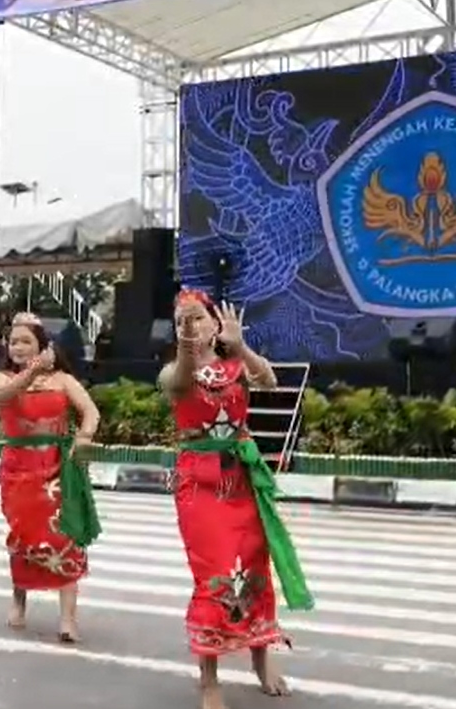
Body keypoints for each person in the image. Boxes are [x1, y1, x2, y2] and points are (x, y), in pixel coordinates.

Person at [158, 289, 314, 709]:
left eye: (197, 318)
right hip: (199, 484)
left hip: (241, 480)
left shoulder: (235, 366)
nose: (189, 325)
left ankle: (261, 659)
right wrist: (186, 347)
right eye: (181, 320)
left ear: (215, 324)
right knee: (215, 576)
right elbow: (179, 383)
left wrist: (241, 346)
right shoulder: (174, 371)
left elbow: (270, 380)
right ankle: (209, 679)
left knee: (253, 568)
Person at [0, 312, 102, 644]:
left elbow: (91, 411)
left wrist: (84, 436)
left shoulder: (62, 380)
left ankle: (68, 619)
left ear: (42, 346)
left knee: (66, 535)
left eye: (26, 341)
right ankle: (19, 600)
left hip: (58, 468)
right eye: (13, 342)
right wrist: (34, 371)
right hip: (19, 471)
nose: (18, 347)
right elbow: (2, 397)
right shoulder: (1, 379)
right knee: (24, 536)